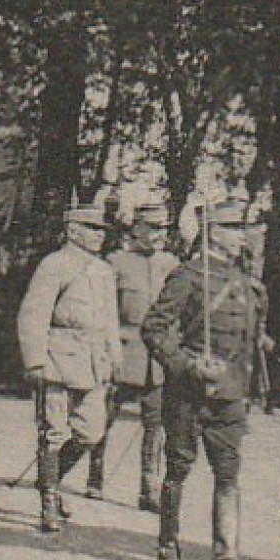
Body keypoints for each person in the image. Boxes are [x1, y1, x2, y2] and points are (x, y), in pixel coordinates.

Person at [142, 199, 267, 560]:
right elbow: (154, 329)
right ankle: (168, 542)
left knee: (228, 472)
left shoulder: (245, 281)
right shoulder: (189, 275)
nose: (241, 235)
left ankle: (226, 553)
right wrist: (187, 365)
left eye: (242, 227)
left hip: (229, 394)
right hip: (189, 390)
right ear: (214, 231)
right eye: (233, 227)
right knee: (179, 466)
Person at [17, 206, 122, 533]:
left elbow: (109, 320)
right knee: (54, 431)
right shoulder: (55, 265)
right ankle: (49, 503)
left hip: (93, 362)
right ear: (72, 230)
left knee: (91, 431)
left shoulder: (104, 270)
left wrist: (114, 357)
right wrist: (34, 359)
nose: (100, 234)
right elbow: (33, 314)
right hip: (58, 357)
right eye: (92, 228)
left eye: (102, 229)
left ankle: (51, 480)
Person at [97, 203, 178, 509]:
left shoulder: (171, 264)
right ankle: (95, 476)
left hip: (156, 359)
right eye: (153, 228)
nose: (159, 235)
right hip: (124, 351)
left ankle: (149, 489)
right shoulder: (116, 263)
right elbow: (105, 309)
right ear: (136, 229)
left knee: (155, 426)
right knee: (105, 418)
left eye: (163, 229)